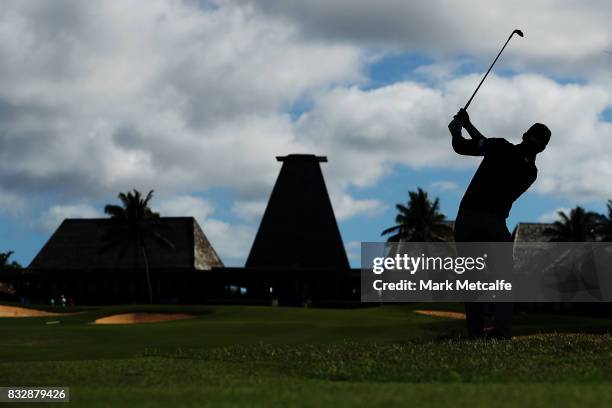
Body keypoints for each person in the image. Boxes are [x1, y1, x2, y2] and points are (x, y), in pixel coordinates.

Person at [448, 108, 551, 340]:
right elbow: (488, 146)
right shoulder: (531, 172)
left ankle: (474, 334)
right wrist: (467, 126)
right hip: (494, 224)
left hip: (467, 219)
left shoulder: (501, 147)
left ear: (525, 135)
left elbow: (463, 147)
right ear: (543, 148)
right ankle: (502, 332)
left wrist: (458, 130)